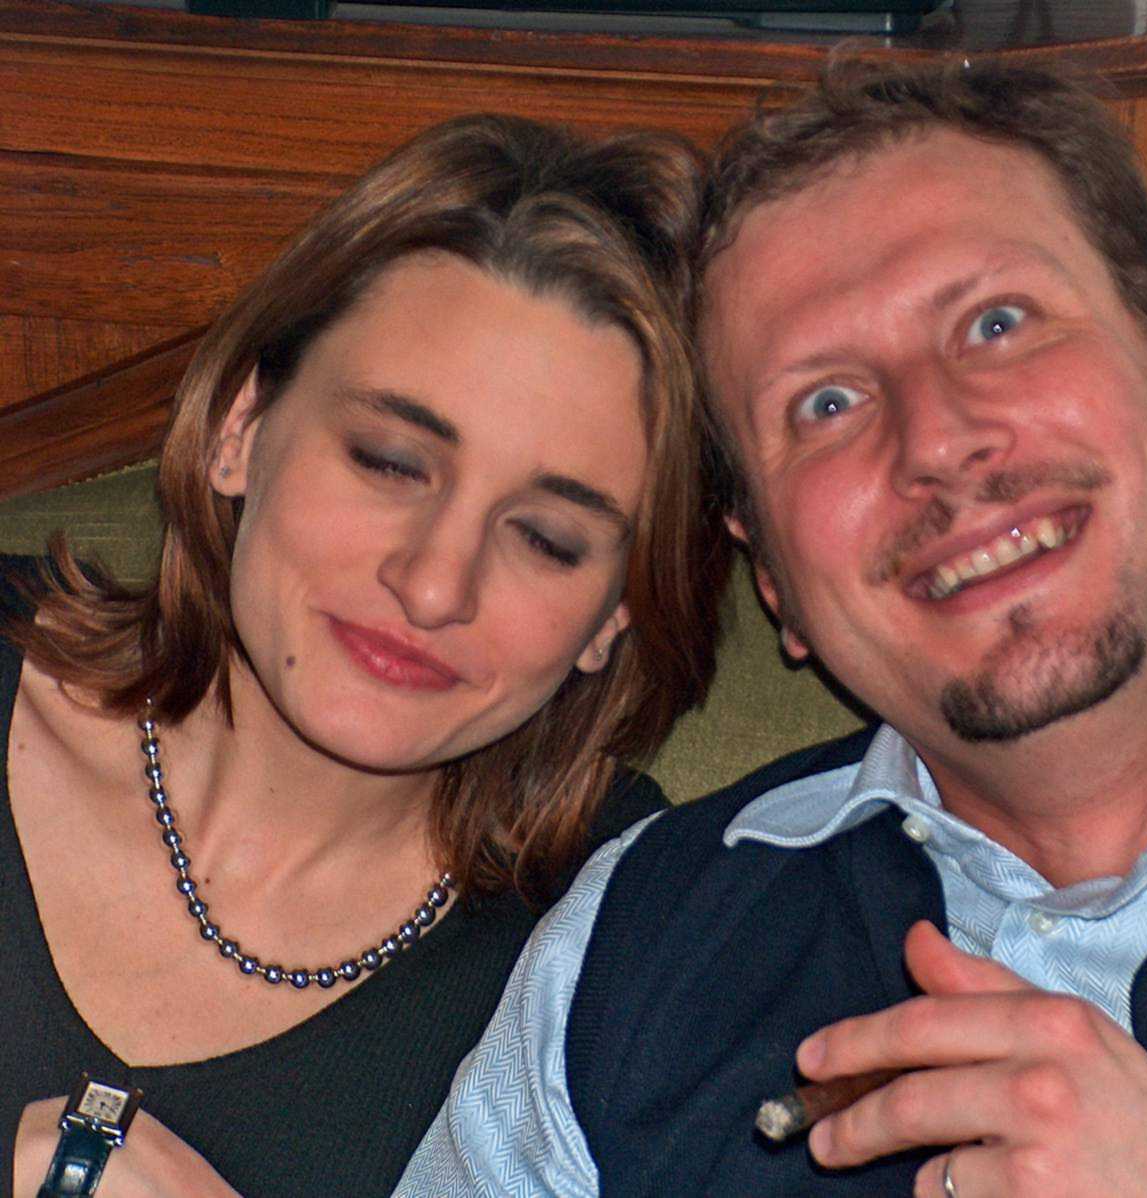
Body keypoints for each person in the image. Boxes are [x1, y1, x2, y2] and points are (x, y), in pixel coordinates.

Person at [398, 60, 1147, 1197]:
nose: (934, 439)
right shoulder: (639, 942)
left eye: (996, 323)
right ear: (772, 579)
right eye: (826, 402)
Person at [5, 111, 725, 1197]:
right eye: (390, 461)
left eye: (545, 538)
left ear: (614, 614)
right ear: (241, 426)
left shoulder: (641, 944)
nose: (434, 585)